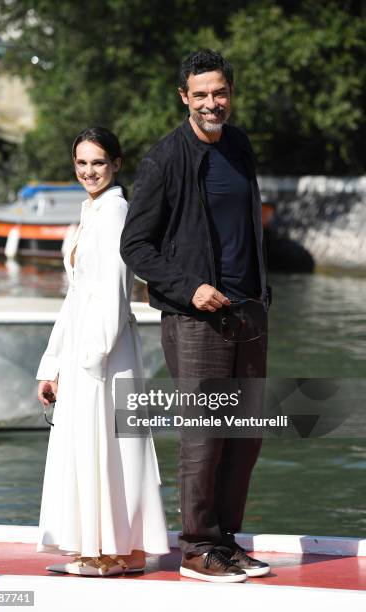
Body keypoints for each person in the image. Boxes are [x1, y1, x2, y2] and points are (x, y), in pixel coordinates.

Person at [120, 49, 271, 583]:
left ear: (231, 92)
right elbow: (135, 245)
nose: (212, 102)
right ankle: (196, 548)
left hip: (248, 310)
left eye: (220, 92)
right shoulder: (166, 158)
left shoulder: (240, 145)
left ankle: (226, 542)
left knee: (244, 433)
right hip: (195, 316)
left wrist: (259, 294)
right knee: (204, 435)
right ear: (184, 96)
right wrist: (192, 288)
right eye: (201, 94)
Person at [36, 127, 169, 576]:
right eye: (81, 163)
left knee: (108, 444)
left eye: (97, 162)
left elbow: (115, 294)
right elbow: (74, 297)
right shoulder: (89, 210)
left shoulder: (114, 212)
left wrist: (90, 358)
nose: (89, 171)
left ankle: (113, 552)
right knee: (98, 446)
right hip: (83, 344)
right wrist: (52, 364)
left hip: (103, 352)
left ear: (116, 164)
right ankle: (109, 549)